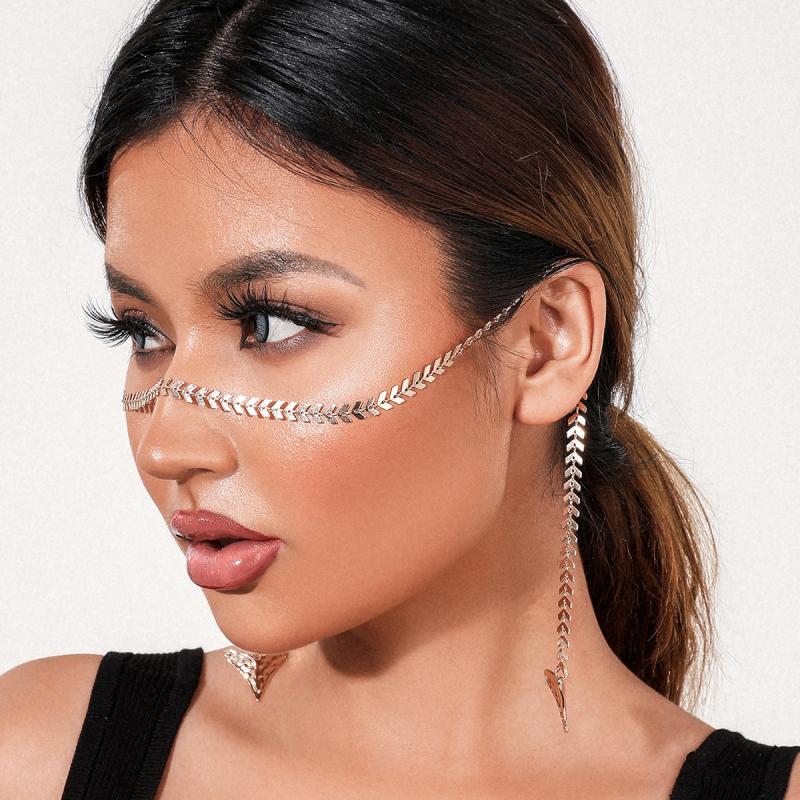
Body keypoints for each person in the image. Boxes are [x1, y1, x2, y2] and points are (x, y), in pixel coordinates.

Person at [1, 1, 797, 797]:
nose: (167, 446)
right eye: (143, 332)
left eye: (273, 323)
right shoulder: (37, 758)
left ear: (547, 342)